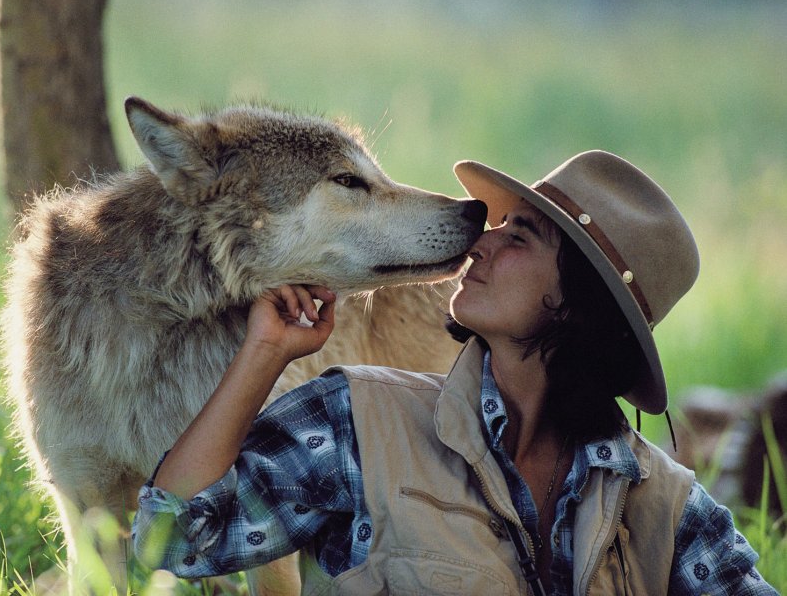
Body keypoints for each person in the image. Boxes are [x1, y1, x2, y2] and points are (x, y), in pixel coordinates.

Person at [132, 151, 777, 594]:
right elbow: (171, 541)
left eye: (518, 237)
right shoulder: (357, 422)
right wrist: (264, 351)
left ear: (577, 307)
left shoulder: (664, 502)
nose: (481, 241)